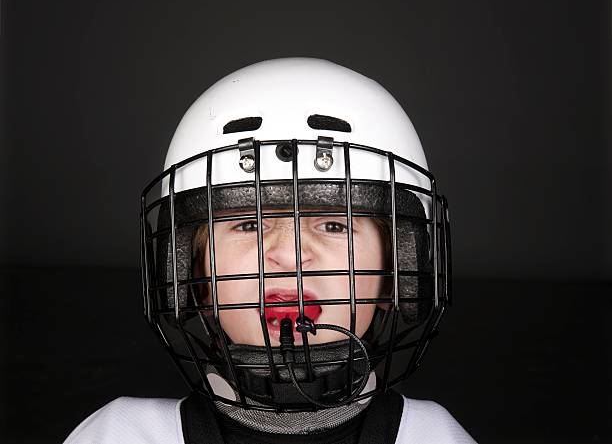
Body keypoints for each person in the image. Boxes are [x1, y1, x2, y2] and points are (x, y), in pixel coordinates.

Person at [64, 57, 477, 443]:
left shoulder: (433, 435)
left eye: (333, 225)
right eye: (247, 224)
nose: (290, 256)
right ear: (192, 277)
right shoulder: (121, 435)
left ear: (396, 273)